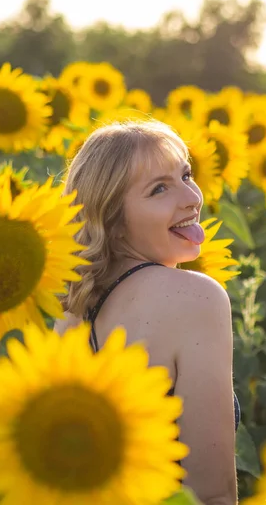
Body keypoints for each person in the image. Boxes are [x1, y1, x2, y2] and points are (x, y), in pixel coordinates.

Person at [55, 120, 238, 505]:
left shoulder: (72, 305)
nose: (192, 198)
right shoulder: (196, 298)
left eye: (186, 175)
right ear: (114, 220)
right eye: (159, 189)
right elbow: (211, 493)